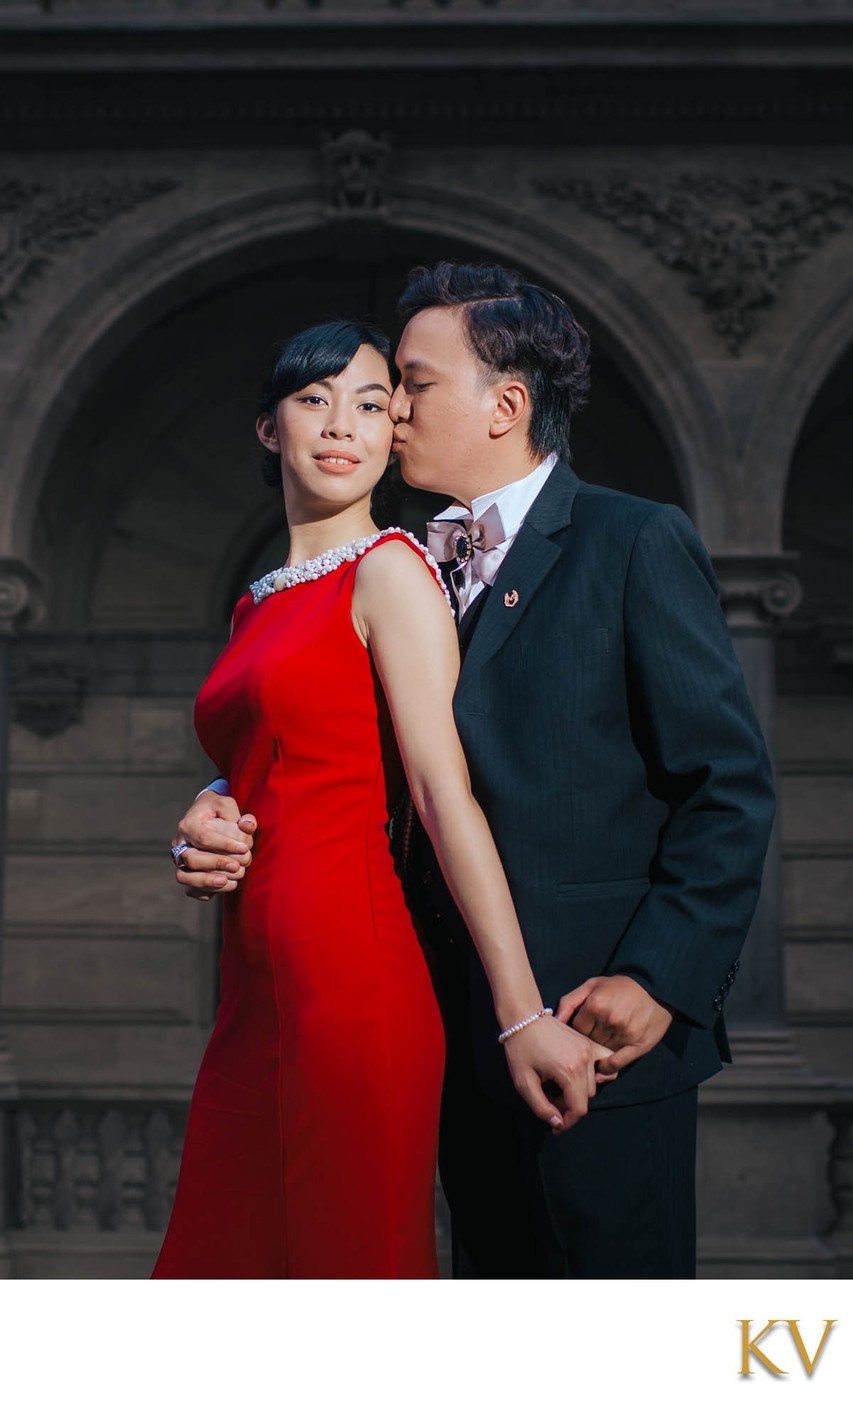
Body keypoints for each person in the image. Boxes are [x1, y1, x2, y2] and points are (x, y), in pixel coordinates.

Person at [174, 263, 776, 1280]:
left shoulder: (631, 542)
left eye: (409, 383)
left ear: (506, 404)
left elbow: (728, 783)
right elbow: (346, 743)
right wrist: (221, 797)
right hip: (437, 1027)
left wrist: (656, 977)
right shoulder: (399, 559)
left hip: (594, 1025)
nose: (386, 411)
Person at [152, 317, 612, 1281]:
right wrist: (207, 809)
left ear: (391, 432)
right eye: (313, 400)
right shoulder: (258, 600)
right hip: (255, 994)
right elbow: (274, 750)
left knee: (347, 1271)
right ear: (269, 428)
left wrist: (520, 1013)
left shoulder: (391, 572)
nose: (340, 425)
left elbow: (444, 795)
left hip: (353, 981)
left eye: (371, 405)